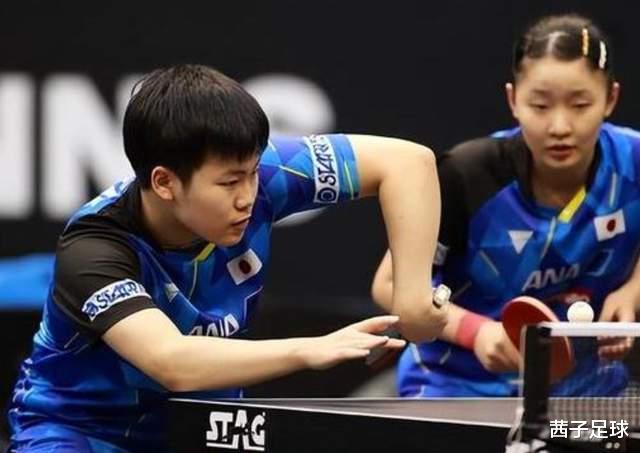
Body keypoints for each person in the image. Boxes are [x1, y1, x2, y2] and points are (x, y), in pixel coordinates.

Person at [7, 64, 446, 451]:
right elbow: (171, 362)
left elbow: (409, 163)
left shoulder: (262, 175)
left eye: (253, 173)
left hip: (204, 429)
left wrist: (411, 299)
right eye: (230, 183)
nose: (248, 196)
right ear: (164, 182)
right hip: (80, 431)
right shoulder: (95, 248)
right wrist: (313, 348)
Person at [372, 14, 640, 398]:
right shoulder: (467, 174)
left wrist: (633, 290)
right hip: (456, 386)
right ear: (514, 100)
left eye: (580, 105)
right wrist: (476, 332)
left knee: (608, 429)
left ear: (610, 99)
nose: (560, 126)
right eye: (540, 105)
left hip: (583, 393)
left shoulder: (632, 161)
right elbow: (389, 284)